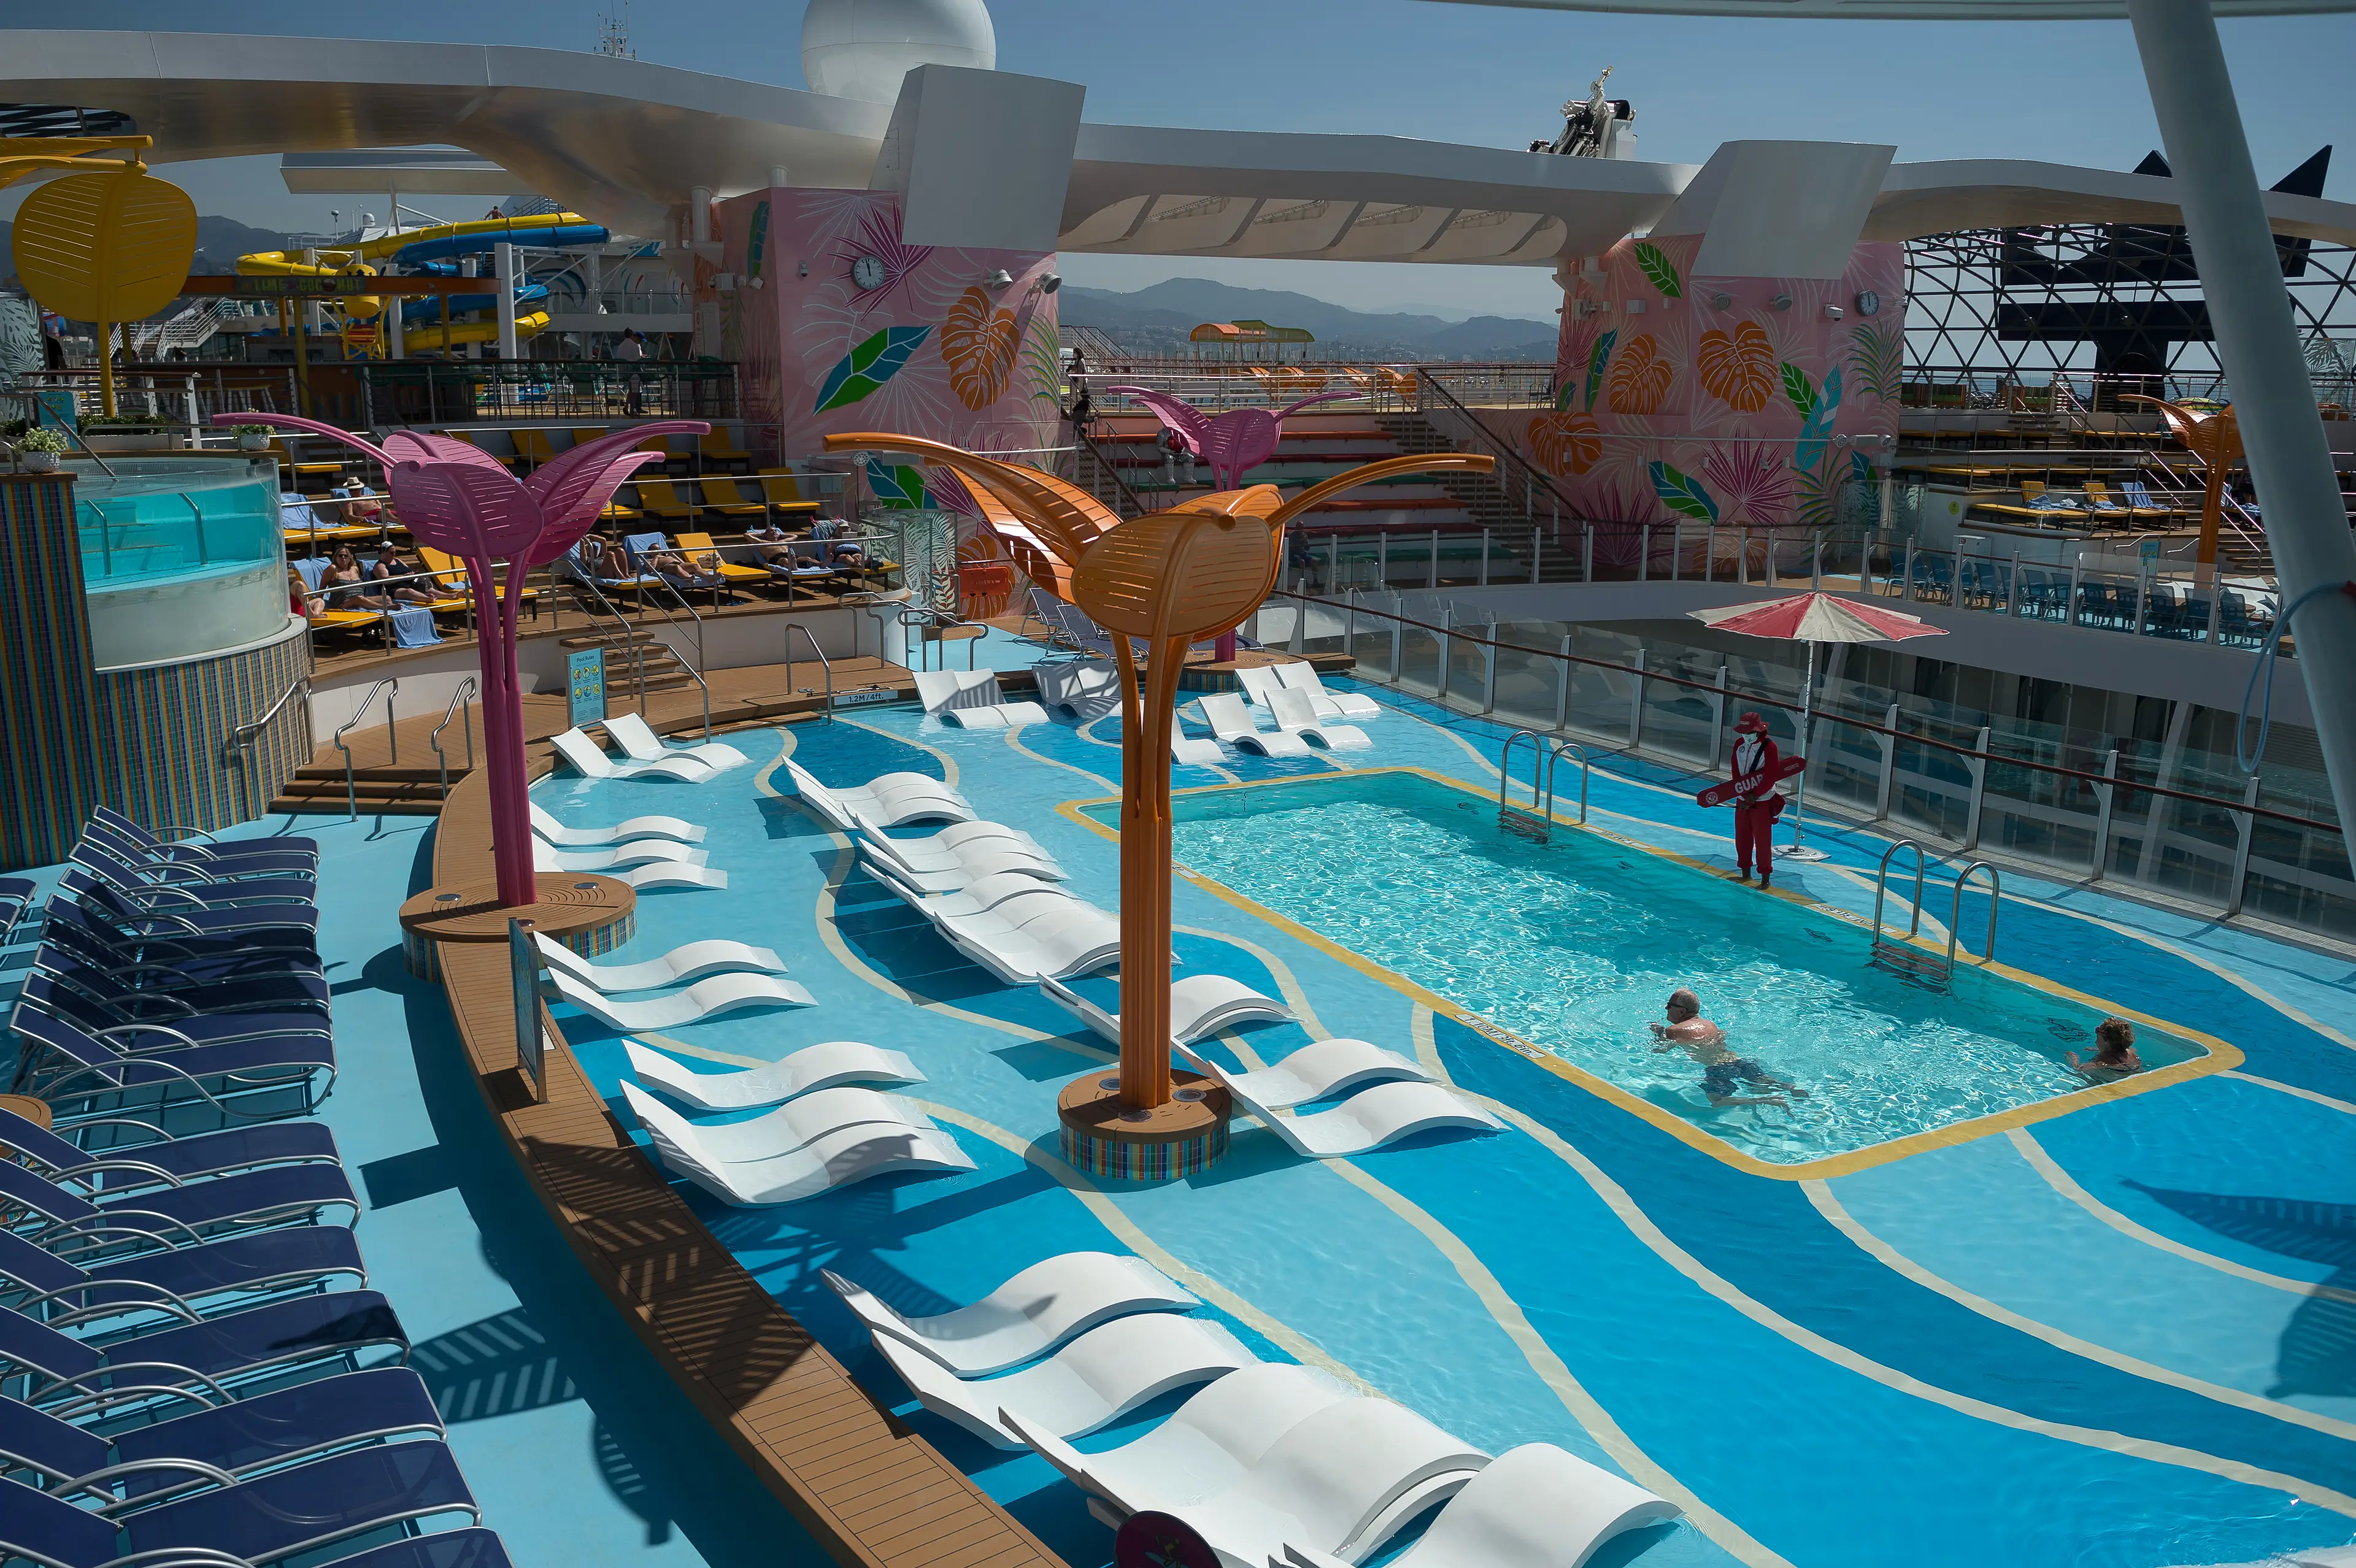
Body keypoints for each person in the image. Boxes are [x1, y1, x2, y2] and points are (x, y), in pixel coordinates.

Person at [1650, 988, 1807, 1108]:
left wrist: (1658, 1032)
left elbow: (1659, 1050)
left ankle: (1765, 1100)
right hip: (1739, 1061)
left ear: (1682, 1011)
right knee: (1763, 1082)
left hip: (1718, 1069)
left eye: (1669, 1006)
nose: (1666, 1009)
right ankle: (1788, 1087)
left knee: (1717, 1101)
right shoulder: (1710, 1025)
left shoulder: (1673, 1031)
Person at [1728, 711, 1784, 887]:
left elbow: (1770, 776)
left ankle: (1765, 879)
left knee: (1763, 840)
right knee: (1742, 837)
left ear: (1759, 731)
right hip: (1742, 798)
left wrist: (1753, 797)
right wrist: (1742, 794)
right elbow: (1735, 772)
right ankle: (1745, 874)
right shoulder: (1739, 744)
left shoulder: (1770, 747)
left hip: (1763, 800)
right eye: (1744, 733)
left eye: (1750, 733)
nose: (1747, 736)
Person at [2066, 1017, 2144, 1082]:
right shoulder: (2130, 1051)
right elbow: (2117, 1052)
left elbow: (2080, 1069)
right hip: (2138, 1074)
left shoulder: (2103, 1060)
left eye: (2098, 1030)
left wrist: (2074, 1060)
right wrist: (2097, 1049)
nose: (2096, 1032)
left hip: (2115, 1078)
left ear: (2107, 1040)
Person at [615, 328, 647, 415]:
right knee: (635, 390)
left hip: (623, 372)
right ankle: (632, 409)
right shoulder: (635, 346)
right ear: (632, 335)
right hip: (633, 372)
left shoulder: (620, 346)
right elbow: (638, 360)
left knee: (631, 390)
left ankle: (627, 407)